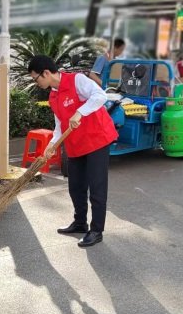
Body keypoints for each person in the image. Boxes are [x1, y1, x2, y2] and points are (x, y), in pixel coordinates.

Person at [28, 55, 118, 247]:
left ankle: (96, 230)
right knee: (75, 186)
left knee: (97, 187)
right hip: (75, 144)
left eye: (36, 79)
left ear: (46, 73)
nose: (36, 83)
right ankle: (80, 223)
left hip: (96, 139)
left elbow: (100, 96)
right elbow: (59, 125)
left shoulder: (77, 80)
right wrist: (52, 144)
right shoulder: (53, 96)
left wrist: (80, 112)